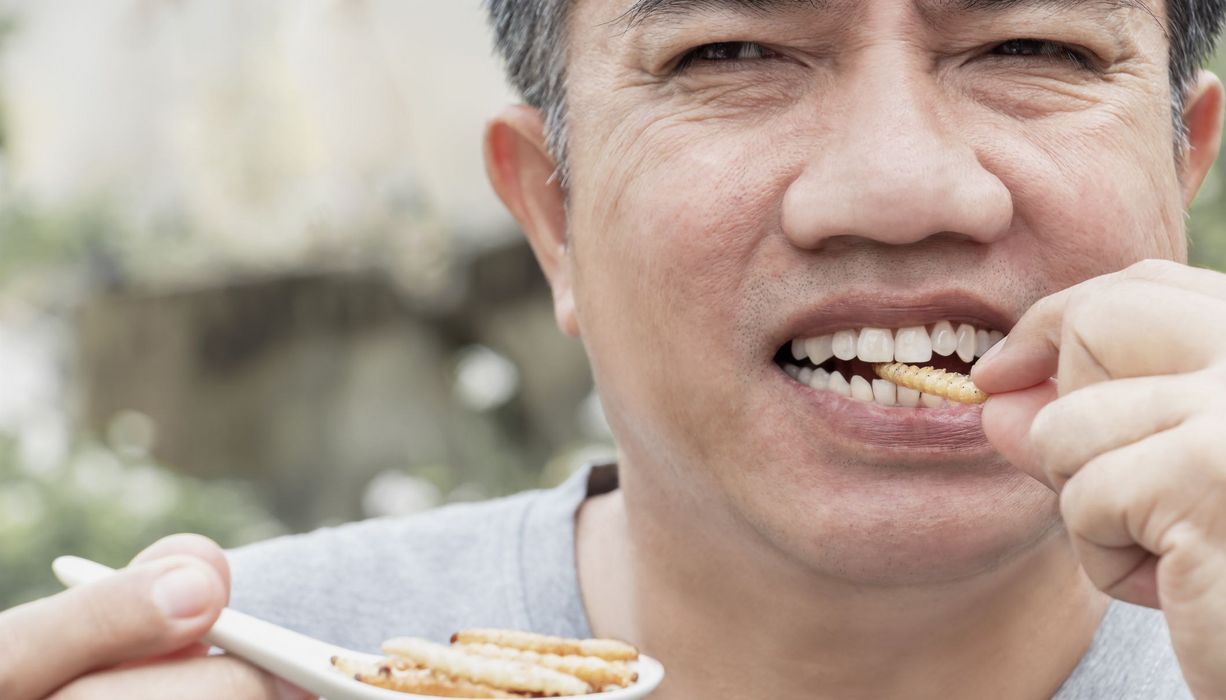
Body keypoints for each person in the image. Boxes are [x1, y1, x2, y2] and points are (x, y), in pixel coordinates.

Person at [4, 0, 1226, 697]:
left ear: (1183, 164)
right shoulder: (237, 665)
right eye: (730, 53)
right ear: (550, 216)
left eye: (1032, 47)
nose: (901, 186)